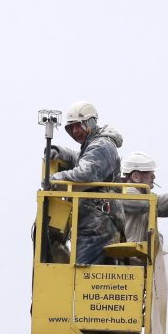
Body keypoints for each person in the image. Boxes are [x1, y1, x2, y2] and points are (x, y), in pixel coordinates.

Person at [46, 101, 123, 265]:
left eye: (78, 126)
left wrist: (54, 180)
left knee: (84, 276)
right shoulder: (96, 145)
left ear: (90, 123)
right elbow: (84, 159)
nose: (75, 131)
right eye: (71, 128)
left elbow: (87, 173)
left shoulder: (101, 146)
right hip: (97, 223)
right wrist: (62, 153)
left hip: (97, 225)